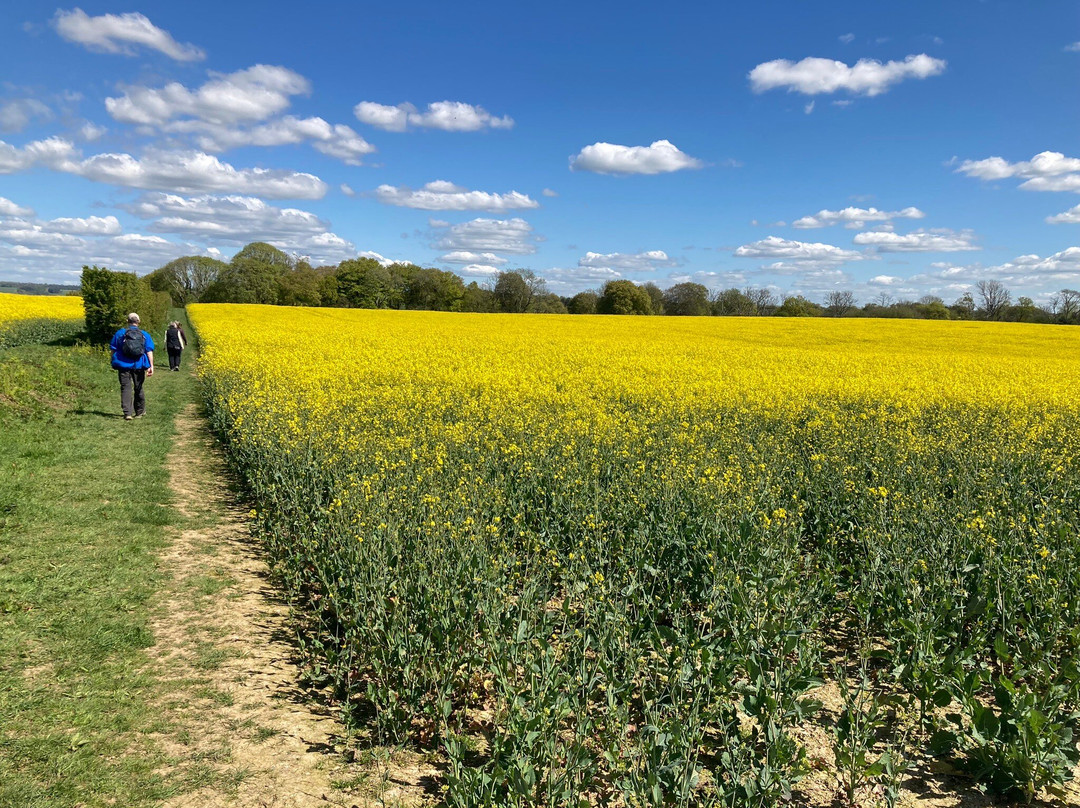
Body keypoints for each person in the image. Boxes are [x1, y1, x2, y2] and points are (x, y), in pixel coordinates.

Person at [110, 313, 155, 421]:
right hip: (138, 364)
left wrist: (113, 360)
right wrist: (151, 366)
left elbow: (113, 349)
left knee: (125, 387)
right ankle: (140, 411)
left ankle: (127, 413)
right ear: (138, 322)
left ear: (127, 321)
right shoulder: (144, 334)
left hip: (123, 364)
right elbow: (149, 351)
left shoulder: (120, 333)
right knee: (138, 387)